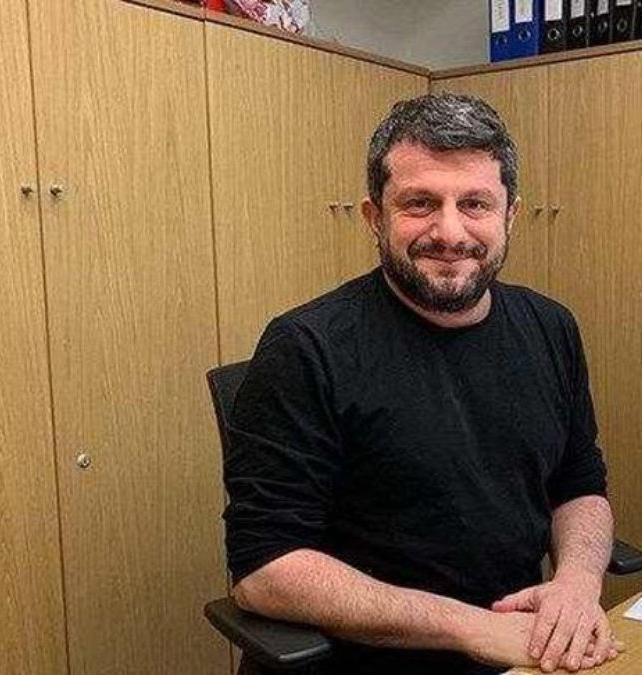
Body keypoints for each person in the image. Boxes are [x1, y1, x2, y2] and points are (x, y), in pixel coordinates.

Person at [225, 92, 618, 674]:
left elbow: (579, 484)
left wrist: (578, 584)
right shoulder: (305, 348)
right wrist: (472, 629)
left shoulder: (551, 327)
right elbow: (264, 570)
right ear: (374, 217)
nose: (450, 231)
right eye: (419, 203)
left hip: (524, 653)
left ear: (510, 215)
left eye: (475, 204)